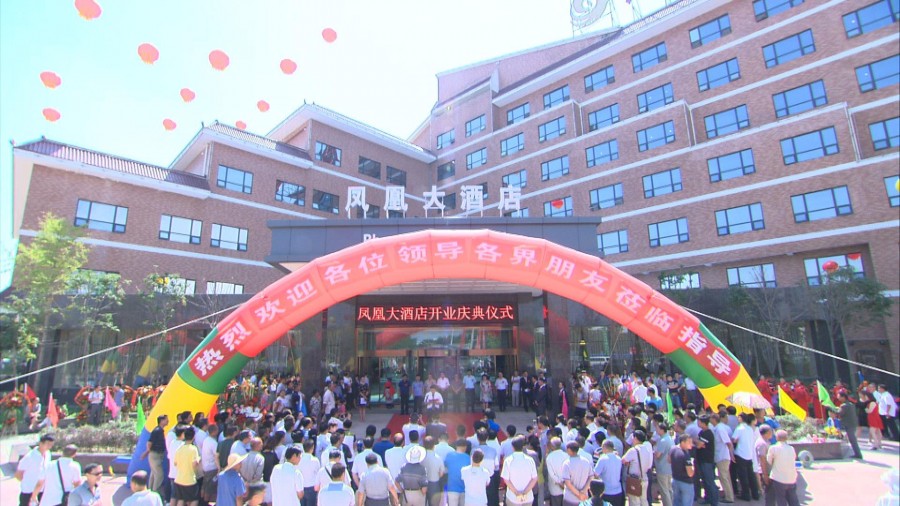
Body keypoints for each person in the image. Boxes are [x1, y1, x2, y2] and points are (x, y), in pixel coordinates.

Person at [17, 434, 55, 506]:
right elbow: (18, 474)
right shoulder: (29, 457)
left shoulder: (48, 454)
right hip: (28, 490)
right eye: (47, 444)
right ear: (41, 443)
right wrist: (27, 482)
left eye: (51, 445)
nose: (49, 447)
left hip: (42, 489)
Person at [764, 430, 799, 506]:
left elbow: (769, 461)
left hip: (778, 479)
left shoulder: (773, 448)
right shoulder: (791, 448)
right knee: (793, 500)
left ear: (777, 438)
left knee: (781, 500)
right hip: (792, 478)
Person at [501, 436, 539, 506]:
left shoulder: (508, 460)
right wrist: (525, 492)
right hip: (527, 497)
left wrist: (516, 493)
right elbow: (534, 478)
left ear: (512, 447)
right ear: (523, 447)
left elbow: (506, 479)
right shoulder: (530, 460)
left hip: (512, 497)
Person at [731, 414, 758, 502]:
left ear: (741, 419)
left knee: (743, 476)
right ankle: (755, 494)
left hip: (740, 454)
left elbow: (733, 439)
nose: (737, 418)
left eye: (738, 417)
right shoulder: (750, 428)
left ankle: (746, 494)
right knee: (751, 475)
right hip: (749, 454)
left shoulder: (739, 428)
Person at [621, 430, 651, 506]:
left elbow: (623, 460)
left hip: (634, 479)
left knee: (634, 501)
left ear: (636, 438)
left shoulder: (633, 450)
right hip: (644, 478)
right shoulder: (647, 449)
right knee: (644, 501)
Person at [173, 427, 202, 506]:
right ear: (193, 437)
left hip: (179, 479)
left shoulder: (179, 449)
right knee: (194, 500)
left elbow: (175, 463)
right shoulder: (193, 449)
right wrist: (198, 459)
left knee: (181, 499)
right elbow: (194, 464)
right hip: (190, 480)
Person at [142, 415, 169, 493]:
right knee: (159, 475)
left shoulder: (160, 430)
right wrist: (147, 452)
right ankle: (155, 491)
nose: (168, 421)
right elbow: (149, 442)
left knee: (154, 474)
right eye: (166, 419)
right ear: (161, 421)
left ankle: (150, 490)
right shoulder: (157, 430)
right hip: (155, 454)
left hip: (156, 455)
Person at [592, 440, 624, 506]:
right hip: (618, 491)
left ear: (604, 447)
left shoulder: (603, 459)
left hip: (606, 491)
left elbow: (595, 474)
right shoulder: (619, 459)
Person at [561, 441, 592, 506]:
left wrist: (579, 494)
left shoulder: (567, 463)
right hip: (584, 498)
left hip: (570, 499)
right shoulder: (586, 461)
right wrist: (583, 491)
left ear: (569, 450)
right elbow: (591, 477)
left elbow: (568, 483)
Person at [668, 434, 695, 506]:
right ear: (683, 442)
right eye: (689, 442)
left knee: (676, 502)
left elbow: (669, 460)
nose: (691, 444)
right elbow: (690, 473)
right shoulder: (685, 455)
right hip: (686, 483)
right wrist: (692, 464)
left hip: (675, 480)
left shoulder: (673, 449)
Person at [835, 392, 863, 459]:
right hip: (853, 423)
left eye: (839, 396)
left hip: (849, 424)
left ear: (843, 397)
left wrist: (831, 408)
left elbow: (839, 413)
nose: (838, 398)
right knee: (852, 439)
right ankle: (857, 453)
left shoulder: (844, 406)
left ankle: (858, 454)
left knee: (852, 439)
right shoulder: (850, 404)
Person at [444, 439, 471, 506]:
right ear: (465, 447)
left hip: (452, 488)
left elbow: (445, 467)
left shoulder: (449, 455)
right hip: (464, 488)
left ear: (456, 446)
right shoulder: (468, 458)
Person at [652, 423, 673, 506]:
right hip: (669, 468)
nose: (656, 430)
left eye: (657, 429)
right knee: (669, 489)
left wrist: (653, 453)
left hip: (662, 468)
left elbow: (658, 455)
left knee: (664, 490)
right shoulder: (669, 438)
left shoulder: (663, 440)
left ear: (662, 430)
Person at [546, 438, 568, 506]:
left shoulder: (549, 457)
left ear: (552, 446)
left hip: (555, 488)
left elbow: (551, 474)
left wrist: (559, 482)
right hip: (566, 486)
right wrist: (563, 483)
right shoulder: (566, 455)